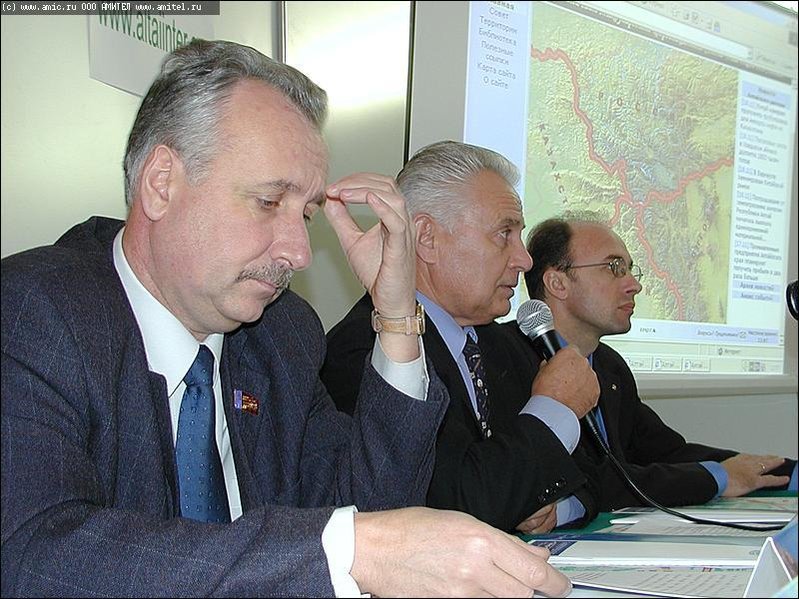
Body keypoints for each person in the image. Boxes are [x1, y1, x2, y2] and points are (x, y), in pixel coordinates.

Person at [0, 40, 572, 598]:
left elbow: (374, 510)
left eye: (306, 215)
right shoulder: (35, 311)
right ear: (162, 183)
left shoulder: (281, 335)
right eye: (269, 202)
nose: (299, 253)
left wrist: (397, 314)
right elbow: (33, 557)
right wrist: (346, 551)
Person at [322, 140, 601, 534]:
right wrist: (554, 406)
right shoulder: (367, 352)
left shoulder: (504, 344)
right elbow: (449, 503)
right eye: (504, 234)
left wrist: (560, 508)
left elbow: (590, 473)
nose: (525, 260)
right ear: (427, 238)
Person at [519, 216, 797, 511]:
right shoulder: (508, 358)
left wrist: (787, 474)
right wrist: (718, 478)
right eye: (614, 268)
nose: (634, 285)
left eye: (630, 269)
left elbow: (668, 453)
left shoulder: (609, 366)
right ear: (558, 283)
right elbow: (582, 478)